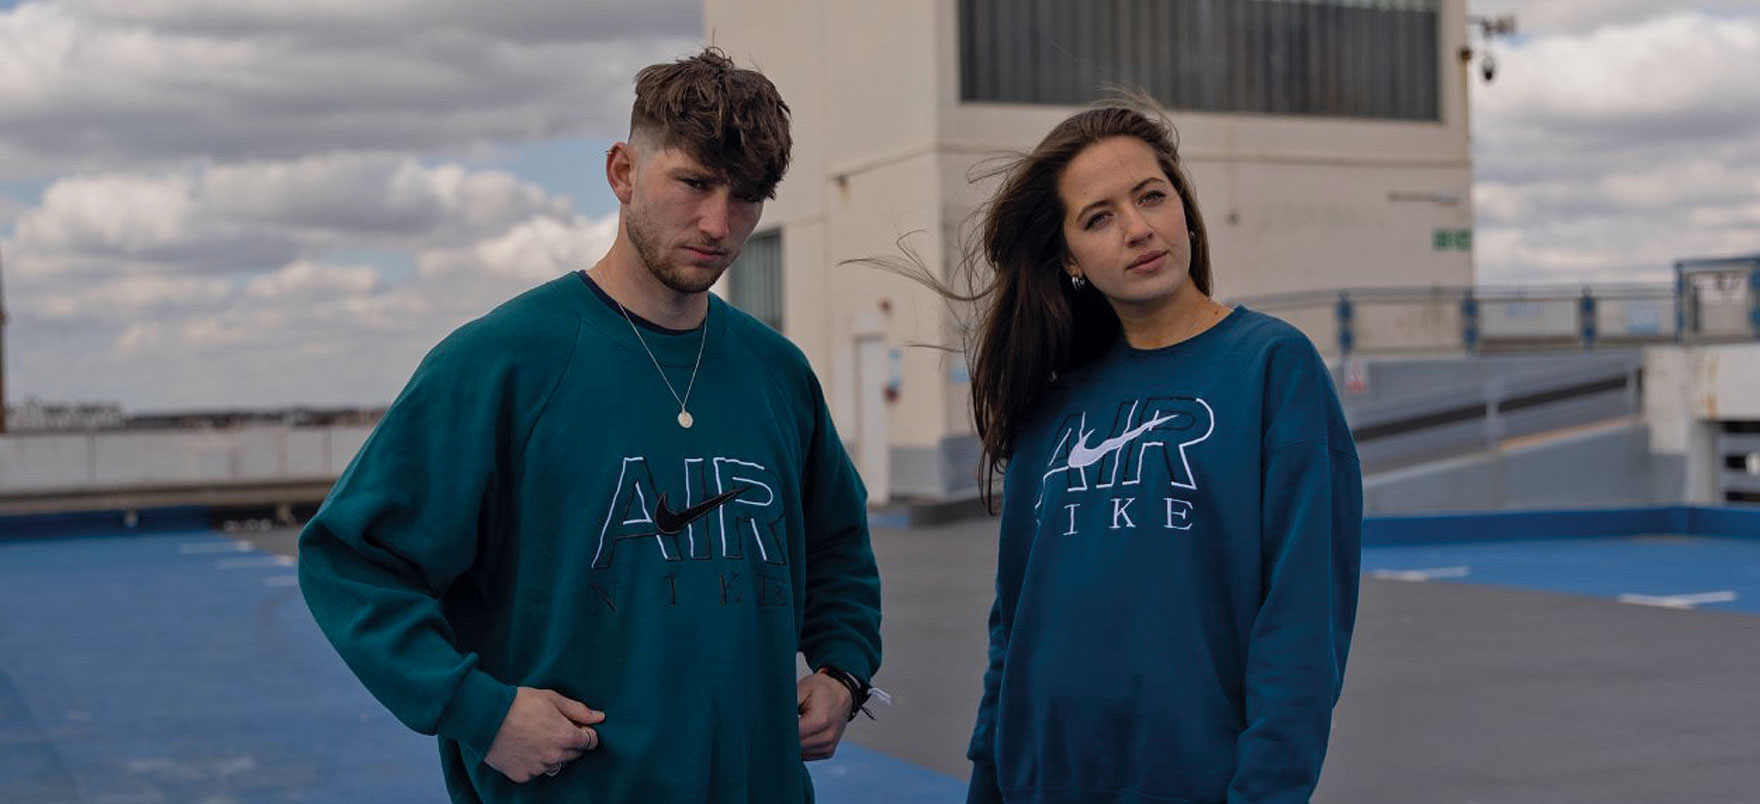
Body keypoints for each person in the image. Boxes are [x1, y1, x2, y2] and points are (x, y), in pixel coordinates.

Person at [297, 48, 881, 803]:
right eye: (695, 183)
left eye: (747, 197)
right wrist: (480, 711)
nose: (718, 224)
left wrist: (842, 670)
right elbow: (351, 558)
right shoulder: (501, 362)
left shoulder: (777, 372)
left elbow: (837, 539)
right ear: (623, 172)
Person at [958, 104, 1361, 804]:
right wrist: (987, 781)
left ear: (1183, 207)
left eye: (1151, 197)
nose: (1138, 229)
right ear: (1069, 257)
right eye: (1099, 217)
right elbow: (1014, 626)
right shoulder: (1052, 404)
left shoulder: (1271, 367)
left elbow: (1302, 625)